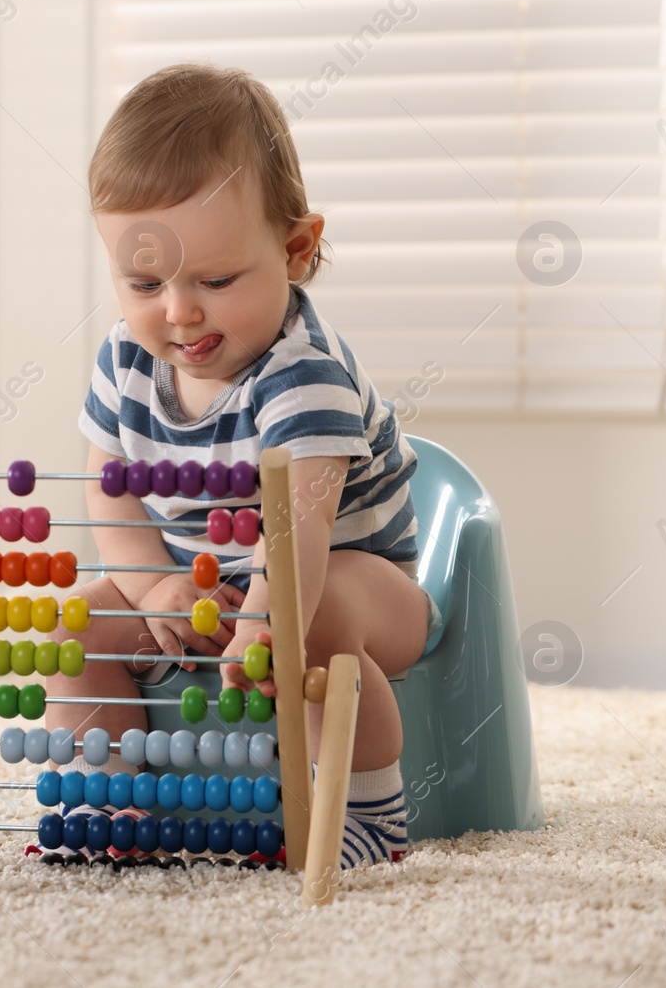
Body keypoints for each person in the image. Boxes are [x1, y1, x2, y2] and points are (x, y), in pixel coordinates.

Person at [46, 63, 442, 869]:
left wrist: (265, 616)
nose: (179, 310)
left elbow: (299, 527)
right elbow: (109, 491)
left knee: (319, 614)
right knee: (73, 627)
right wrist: (153, 584)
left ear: (296, 250)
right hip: (199, 586)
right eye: (143, 281)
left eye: (216, 280)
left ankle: (368, 813)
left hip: (355, 581)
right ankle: (108, 800)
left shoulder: (305, 375)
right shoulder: (125, 361)